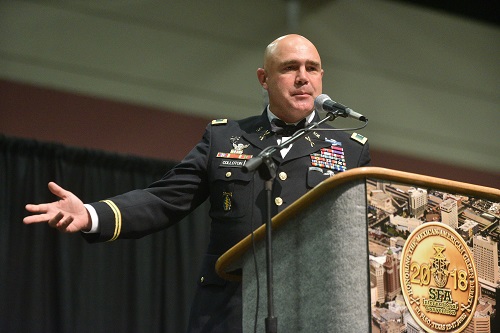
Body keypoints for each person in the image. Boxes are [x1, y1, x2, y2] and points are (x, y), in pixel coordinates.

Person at [23, 34, 371, 332]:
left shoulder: (349, 151)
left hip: (313, 314)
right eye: (289, 67)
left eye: (311, 68)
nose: (302, 77)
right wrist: (90, 213)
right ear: (264, 78)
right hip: (228, 313)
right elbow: (163, 200)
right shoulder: (225, 138)